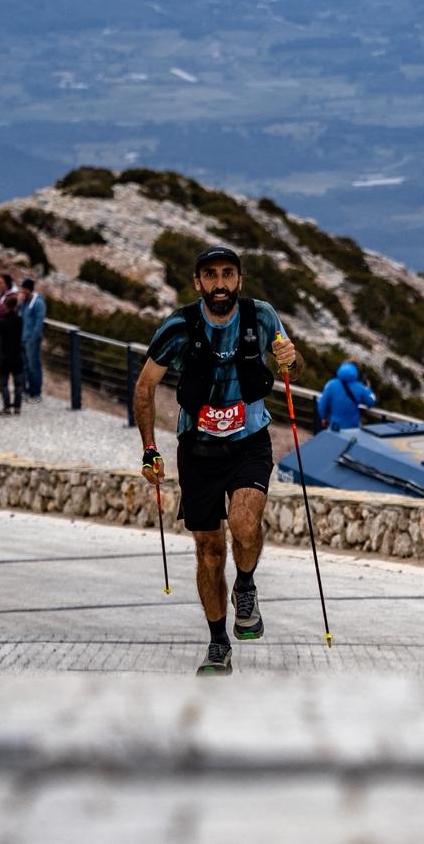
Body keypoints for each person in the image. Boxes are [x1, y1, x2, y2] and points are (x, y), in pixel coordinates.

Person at [135, 245, 302, 677]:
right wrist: (150, 449)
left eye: (228, 274)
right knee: (208, 551)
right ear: (198, 282)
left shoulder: (261, 316)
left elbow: (292, 366)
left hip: (249, 441)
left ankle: (245, 585)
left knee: (245, 524)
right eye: (211, 275)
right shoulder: (179, 326)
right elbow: (145, 386)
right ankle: (218, 643)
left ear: (239, 279)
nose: (220, 283)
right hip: (197, 449)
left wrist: (292, 359)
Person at [316, 361, 376, 431]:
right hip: (353, 427)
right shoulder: (360, 387)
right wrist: (368, 389)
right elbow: (371, 402)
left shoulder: (331, 384)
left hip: (335, 426)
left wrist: (324, 417)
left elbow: (322, 403)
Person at [0, 293, 25, 416]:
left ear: (5, 306)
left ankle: (6, 407)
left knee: (4, 382)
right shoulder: (19, 320)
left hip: (5, 355)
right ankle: (17, 407)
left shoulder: (1, 322)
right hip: (17, 354)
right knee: (18, 383)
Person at [19, 277, 46, 403]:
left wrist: (32, 339)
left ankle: (36, 393)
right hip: (22, 339)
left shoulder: (38, 303)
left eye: (24, 289)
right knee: (24, 367)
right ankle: (25, 390)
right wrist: (19, 303)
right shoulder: (24, 302)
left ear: (29, 289)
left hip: (31, 341)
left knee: (33, 366)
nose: (22, 292)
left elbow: (39, 323)